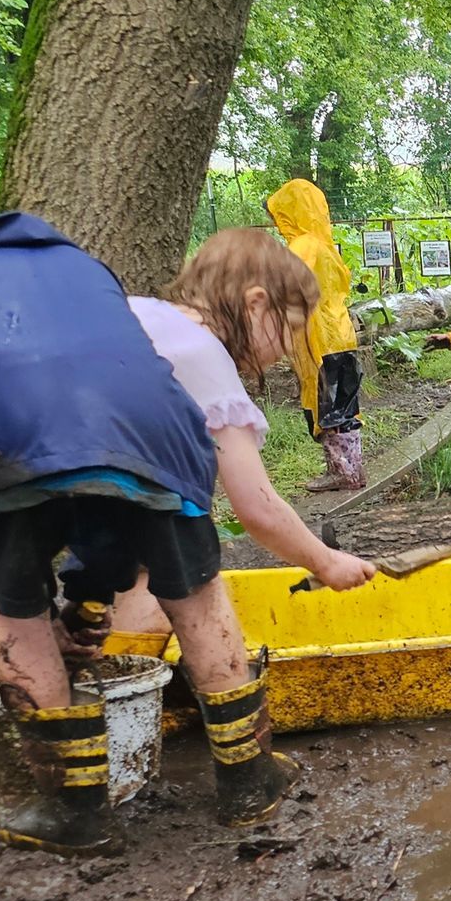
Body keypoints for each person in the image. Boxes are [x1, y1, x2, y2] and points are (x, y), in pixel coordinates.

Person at [0, 213, 301, 854]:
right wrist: (88, 596)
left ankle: (74, 809)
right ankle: (249, 780)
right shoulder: (83, 272)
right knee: (198, 593)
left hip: (1, 433)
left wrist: (58, 601)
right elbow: (108, 497)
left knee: (6, 603)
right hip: (155, 432)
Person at [97, 228, 376, 646]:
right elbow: (257, 506)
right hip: (104, 488)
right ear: (256, 303)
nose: (286, 349)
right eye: (290, 329)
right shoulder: (202, 353)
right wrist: (327, 562)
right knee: (183, 573)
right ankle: (217, 697)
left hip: (29, 467)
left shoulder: (137, 312)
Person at [266, 178, 367, 491]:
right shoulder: (324, 246)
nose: (276, 222)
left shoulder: (303, 248)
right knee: (344, 408)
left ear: (292, 212)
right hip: (340, 336)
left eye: (280, 214)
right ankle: (352, 471)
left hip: (319, 342)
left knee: (329, 410)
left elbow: (283, 290)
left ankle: (344, 473)